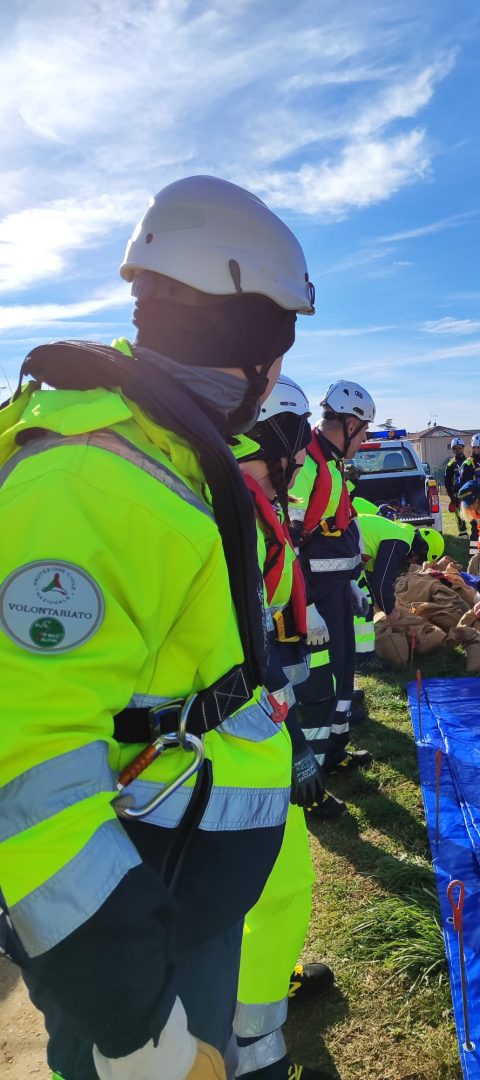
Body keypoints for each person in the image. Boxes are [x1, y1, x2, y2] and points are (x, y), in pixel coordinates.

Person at [0, 175, 313, 1079]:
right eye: (275, 348)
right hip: (135, 930)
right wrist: (134, 1026)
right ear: (252, 344)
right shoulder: (90, 483)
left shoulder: (166, 454)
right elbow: (25, 771)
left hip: (182, 892)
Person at [236, 376, 336, 1080]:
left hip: (234, 729)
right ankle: (250, 1037)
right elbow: (242, 641)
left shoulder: (225, 491)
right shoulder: (232, 500)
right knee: (275, 886)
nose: (300, 465)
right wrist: (292, 734)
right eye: (295, 449)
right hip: (229, 740)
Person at [288, 381, 376, 776]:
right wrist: (304, 606)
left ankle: (335, 751)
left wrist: (352, 582)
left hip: (335, 592)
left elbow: (336, 530)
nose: (366, 438)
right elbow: (285, 542)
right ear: (351, 423)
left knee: (343, 674)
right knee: (317, 684)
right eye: (365, 430)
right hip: (313, 599)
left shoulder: (332, 465)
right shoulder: (306, 464)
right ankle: (314, 770)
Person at [355, 515, 444, 620]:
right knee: (363, 604)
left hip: (348, 542)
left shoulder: (404, 533)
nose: (414, 563)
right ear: (420, 548)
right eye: (419, 559)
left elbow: (377, 578)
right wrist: (389, 611)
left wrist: (389, 604)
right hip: (344, 544)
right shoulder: (400, 542)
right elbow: (381, 582)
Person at [443, 436, 468, 536]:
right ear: (453, 450)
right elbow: (447, 482)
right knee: (459, 513)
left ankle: (477, 531)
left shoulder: (469, 462)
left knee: (471, 511)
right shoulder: (450, 465)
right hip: (457, 493)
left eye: (460, 448)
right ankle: (463, 533)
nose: (459, 450)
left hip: (469, 491)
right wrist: (451, 496)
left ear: (463, 448)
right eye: (456, 449)